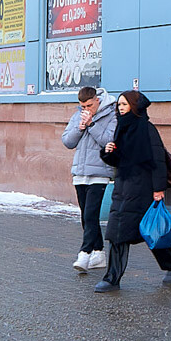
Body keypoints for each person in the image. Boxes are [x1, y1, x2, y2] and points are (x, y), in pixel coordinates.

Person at [95, 90, 171, 291]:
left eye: (124, 104)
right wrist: (108, 153)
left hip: (142, 189)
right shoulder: (122, 128)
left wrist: (158, 189)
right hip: (123, 187)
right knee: (117, 232)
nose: (120, 108)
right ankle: (112, 279)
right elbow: (120, 160)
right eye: (119, 105)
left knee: (149, 231)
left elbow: (158, 161)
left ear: (135, 106)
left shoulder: (147, 129)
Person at [60, 86, 117, 273]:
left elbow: (108, 140)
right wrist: (80, 127)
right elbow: (67, 141)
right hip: (80, 172)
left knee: (91, 214)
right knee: (86, 215)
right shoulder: (78, 115)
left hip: (100, 172)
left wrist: (92, 124)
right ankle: (98, 253)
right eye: (83, 106)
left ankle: (84, 253)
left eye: (89, 105)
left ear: (98, 100)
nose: (86, 109)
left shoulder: (111, 115)